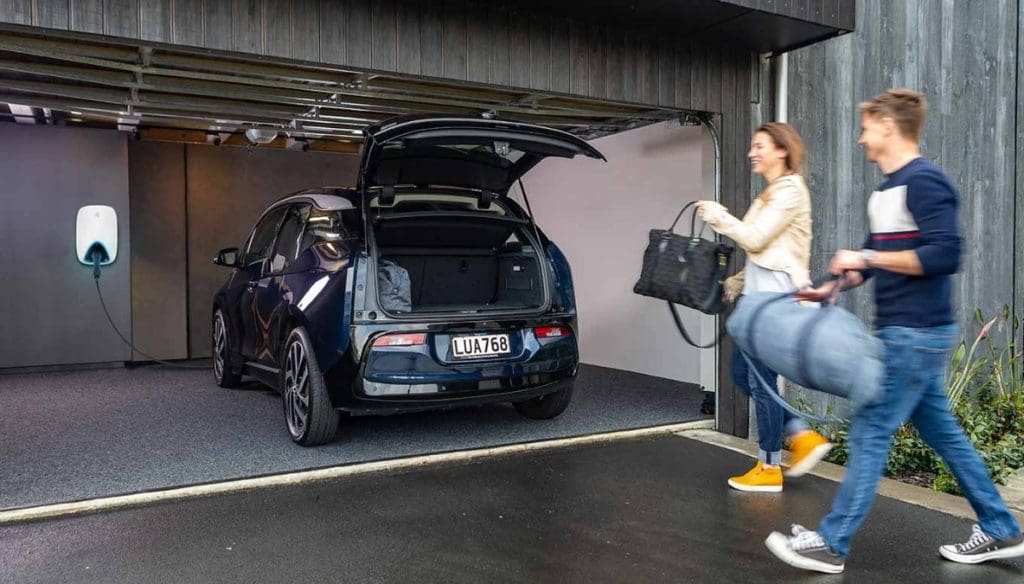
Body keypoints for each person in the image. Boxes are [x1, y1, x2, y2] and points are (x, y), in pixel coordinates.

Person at [764, 89, 1024, 574]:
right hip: (903, 332)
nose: (861, 138)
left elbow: (946, 255)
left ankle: (832, 543)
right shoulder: (885, 191)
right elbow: (873, 258)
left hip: (917, 333)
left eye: (866, 127)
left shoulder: (927, 182)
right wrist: (830, 287)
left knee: (870, 429)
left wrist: (868, 258)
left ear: (887, 124)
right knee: (945, 436)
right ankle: (1000, 526)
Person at [696, 122, 832, 493]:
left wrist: (718, 216)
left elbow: (754, 237)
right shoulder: (772, 192)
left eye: (759, 146)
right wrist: (736, 283)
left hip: (778, 303)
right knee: (744, 374)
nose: (752, 152)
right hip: (760, 301)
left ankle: (770, 465)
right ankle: (801, 436)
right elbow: (765, 252)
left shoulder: (790, 191)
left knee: (759, 380)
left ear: (781, 150)